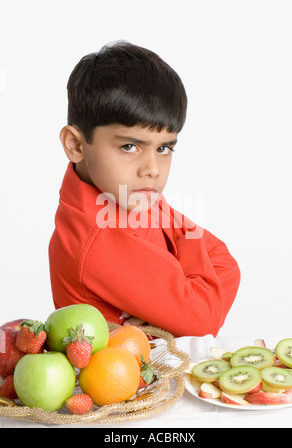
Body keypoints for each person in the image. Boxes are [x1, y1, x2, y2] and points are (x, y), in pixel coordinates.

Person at [48, 41, 240, 337]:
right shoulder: (98, 237)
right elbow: (204, 319)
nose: (152, 168)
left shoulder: (129, 193)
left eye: (164, 148)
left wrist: (190, 286)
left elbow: (227, 263)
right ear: (76, 144)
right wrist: (188, 255)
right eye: (129, 146)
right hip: (124, 382)